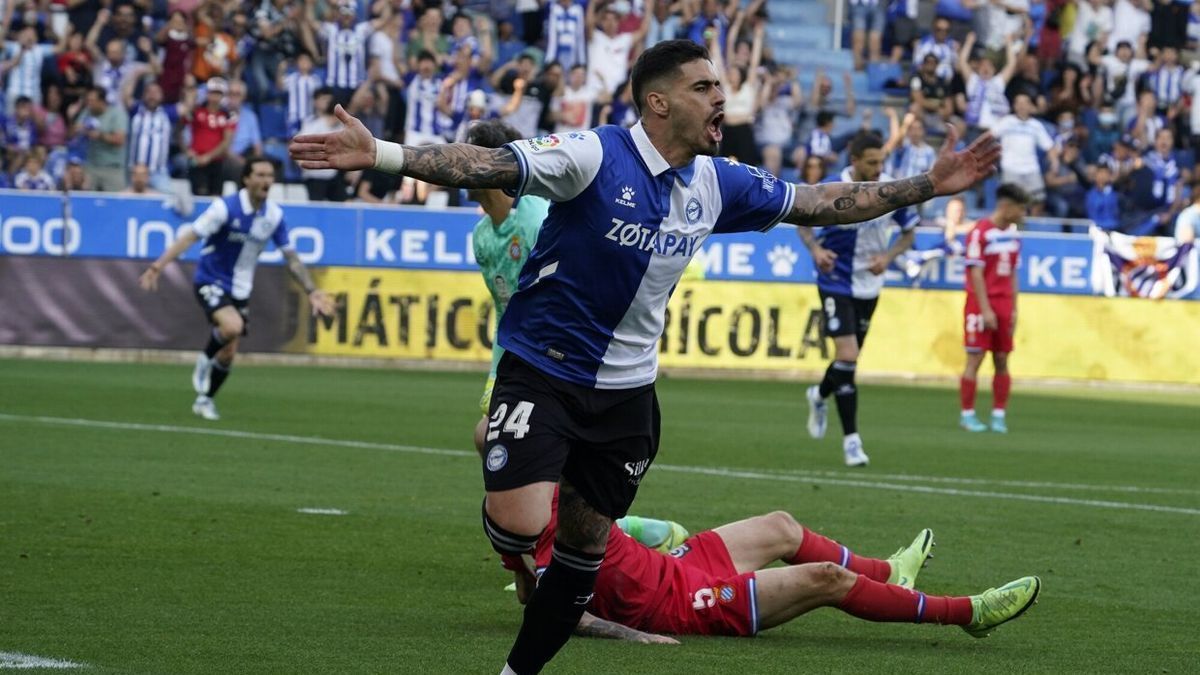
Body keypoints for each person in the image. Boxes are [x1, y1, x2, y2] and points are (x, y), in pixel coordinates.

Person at [289, 38, 1000, 675]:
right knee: (516, 518)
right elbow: (492, 161)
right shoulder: (595, 155)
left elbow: (818, 201)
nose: (721, 98)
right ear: (659, 102)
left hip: (629, 398)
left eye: (720, 87)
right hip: (544, 372)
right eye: (703, 88)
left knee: (583, 548)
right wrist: (382, 155)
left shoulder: (718, 183)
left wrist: (928, 186)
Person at [508, 488, 1039, 642]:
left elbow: (529, 589)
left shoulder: (544, 485)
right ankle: (968, 613)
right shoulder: (530, 524)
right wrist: (633, 636)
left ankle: (888, 575)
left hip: (672, 566)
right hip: (678, 605)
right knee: (826, 580)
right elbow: (554, 612)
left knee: (780, 525)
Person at [138, 158, 334, 421]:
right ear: (246, 179)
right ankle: (204, 360)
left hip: (241, 286)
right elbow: (190, 236)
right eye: (261, 175)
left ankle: (204, 399)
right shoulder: (224, 208)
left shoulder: (273, 216)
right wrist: (157, 267)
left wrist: (311, 290)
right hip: (210, 278)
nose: (267, 181)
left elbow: (292, 257)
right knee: (232, 326)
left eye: (270, 175)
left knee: (229, 353)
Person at [798, 133, 920, 467]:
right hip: (835, 282)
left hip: (870, 285)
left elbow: (909, 232)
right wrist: (816, 249)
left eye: (881, 162)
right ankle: (852, 441)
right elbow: (802, 223)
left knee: (847, 362)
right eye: (872, 163)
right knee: (848, 356)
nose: (879, 169)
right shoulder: (831, 187)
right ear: (854, 161)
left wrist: (889, 256)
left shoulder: (890, 190)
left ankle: (819, 394)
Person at [466, 119, 551, 453]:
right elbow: (506, 311)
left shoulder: (535, 217)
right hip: (521, 355)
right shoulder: (483, 236)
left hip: (558, 358)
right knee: (486, 436)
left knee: (494, 437)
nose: (459, 169)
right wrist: (495, 375)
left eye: (467, 159)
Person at [960, 183, 1028, 433]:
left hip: (1004, 302)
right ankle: (967, 414)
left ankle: (998, 414)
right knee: (975, 358)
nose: (1024, 214)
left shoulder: (1013, 234)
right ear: (1006, 206)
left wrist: (1014, 309)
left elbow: (1012, 273)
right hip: (980, 303)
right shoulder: (980, 232)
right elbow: (976, 274)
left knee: (1002, 358)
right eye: (1021, 209)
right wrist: (986, 309)